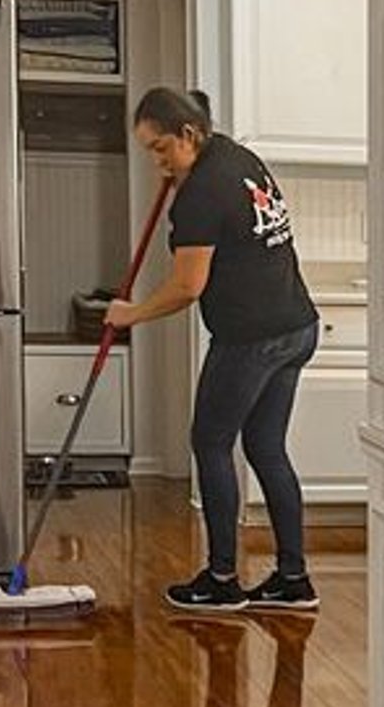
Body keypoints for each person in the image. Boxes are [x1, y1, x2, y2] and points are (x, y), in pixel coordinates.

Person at [111, 87, 321, 613]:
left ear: (189, 133)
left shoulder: (201, 194)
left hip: (252, 337)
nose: (157, 163)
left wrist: (131, 312)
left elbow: (188, 286)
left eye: (161, 149)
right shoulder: (237, 156)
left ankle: (223, 578)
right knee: (267, 449)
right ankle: (292, 578)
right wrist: (179, 176)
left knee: (210, 442)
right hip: (296, 325)